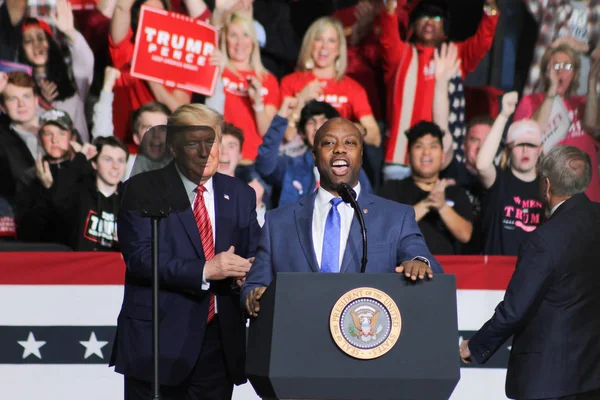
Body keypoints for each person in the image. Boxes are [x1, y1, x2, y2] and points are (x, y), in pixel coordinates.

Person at [110, 104, 260, 399]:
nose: (206, 152)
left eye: (212, 141)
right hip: (157, 343)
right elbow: (140, 258)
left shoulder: (240, 193)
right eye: (194, 143)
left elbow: (255, 250)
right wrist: (206, 269)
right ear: (174, 148)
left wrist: (251, 271)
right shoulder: (141, 189)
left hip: (218, 344)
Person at [243, 117, 442, 316]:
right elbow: (254, 283)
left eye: (350, 143)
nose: (340, 149)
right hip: (299, 336)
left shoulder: (396, 216)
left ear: (361, 155)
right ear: (314, 155)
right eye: (329, 143)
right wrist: (254, 295)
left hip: (366, 338)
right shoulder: (278, 222)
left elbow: (423, 259)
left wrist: (419, 263)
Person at [460, 145, 600, 400]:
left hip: (551, 379)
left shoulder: (544, 240)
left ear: (546, 185)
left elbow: (514, 309)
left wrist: (475, 345)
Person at [379, 0, 498, 180]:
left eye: (436, 17)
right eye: (424, 16)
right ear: (413, 25)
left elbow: (481, 43)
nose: (429, 22)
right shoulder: (400, 55)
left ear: (445, 27)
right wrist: (390, 8)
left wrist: (490, 8)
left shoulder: (452, 55)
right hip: (400, 160)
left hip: (440, 163)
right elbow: (387, 34)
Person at [279, 16, 381, 151]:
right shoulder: (290, 82)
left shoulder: (352, 88)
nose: (324, 46)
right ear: (310, 44)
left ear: (339, 48)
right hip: (297, 159)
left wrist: (348, 128)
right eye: (319, 39)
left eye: (331, 41)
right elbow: (286, 135)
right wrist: (301, 100)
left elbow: (375, 138)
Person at [514, 44, 600, 202]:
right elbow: (533, 134)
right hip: (554, 196)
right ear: (546, 71)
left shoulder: (582, 103)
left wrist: (592, 80)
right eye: (555, 66)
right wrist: (552, 90)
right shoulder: (531, 102)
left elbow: (592, 125)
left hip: (589, 197)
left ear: (575, 74)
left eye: (567, 66)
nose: (560, 71)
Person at [254, 98, 373, 207]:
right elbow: (264, 166)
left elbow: (368, 207)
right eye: (311, 122)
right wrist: (281, 118)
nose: (317, 127)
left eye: (323, 121)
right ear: (302, 132)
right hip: (299, 228)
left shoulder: (349, 167)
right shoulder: (291, 166)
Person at [18, 136, 128, 250]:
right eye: (108, 159)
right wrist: (81, 157)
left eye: (121, 160)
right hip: (79, 264)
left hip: (113, 265)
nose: (116, 166)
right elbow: (57, 199)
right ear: (95, 164)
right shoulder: (80, 192)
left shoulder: (132, 200)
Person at [380, 121, 473, 255]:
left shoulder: (455, 192)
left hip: (445, 273)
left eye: (433, 146)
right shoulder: (392, 189)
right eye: (419, 146)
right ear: (408, 157)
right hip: (402, 271)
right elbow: (389, 230)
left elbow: (465, 235)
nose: (426, 152)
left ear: (442, 157)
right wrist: (427, 203)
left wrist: (442, 207)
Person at [476, 93, 545, 255]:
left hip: (532, 274)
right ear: (508, 150)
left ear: (540, 150)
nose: (525, 150)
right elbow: (482, 165)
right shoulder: (499, 180)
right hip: (497, 272)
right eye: (519, 145)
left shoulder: (547, 187)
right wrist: (504, 115)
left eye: (531, 145)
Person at [19, 0, 94, 142]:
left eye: (41, 38)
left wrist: (70, 32)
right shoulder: (21, 85)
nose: (36, 45)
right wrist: (43, 103)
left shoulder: (71, 78)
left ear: (50, 43)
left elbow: (86, 65)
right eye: (28, 41)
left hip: (79, 159)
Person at [209, 11, 280, 162]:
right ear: (225, 39)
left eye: (245, 35)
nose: (239, 42)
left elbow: (267, 133)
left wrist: (258, 103)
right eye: (233, 35)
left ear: (253, 41)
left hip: (253, 161)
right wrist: (218, 74)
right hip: (221, 158)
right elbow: (209, 116)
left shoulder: (268, 79)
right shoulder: (216, 69)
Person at [0, 71, 40, 217]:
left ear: (36, 100)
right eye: (13, 99)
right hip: (22, 220)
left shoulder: (61, 130)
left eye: (26, 96)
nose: (21, 104)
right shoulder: (3, 140)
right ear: (3, 108)